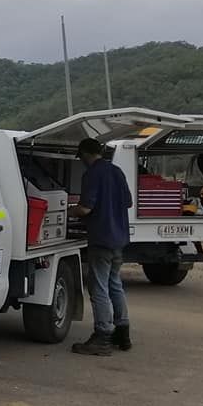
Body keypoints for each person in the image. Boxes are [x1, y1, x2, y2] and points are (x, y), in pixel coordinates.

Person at [68, 138, 133, 356]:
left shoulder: (92, 174)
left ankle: (102, 337)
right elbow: (128, 202)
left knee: (99, 289)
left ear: (85, 154)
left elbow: (85, 208)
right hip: (119, 239)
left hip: (102, 239)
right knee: (115, 284)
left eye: (82, 158)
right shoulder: (117, 172)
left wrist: (69, 212)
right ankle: (123, 333)